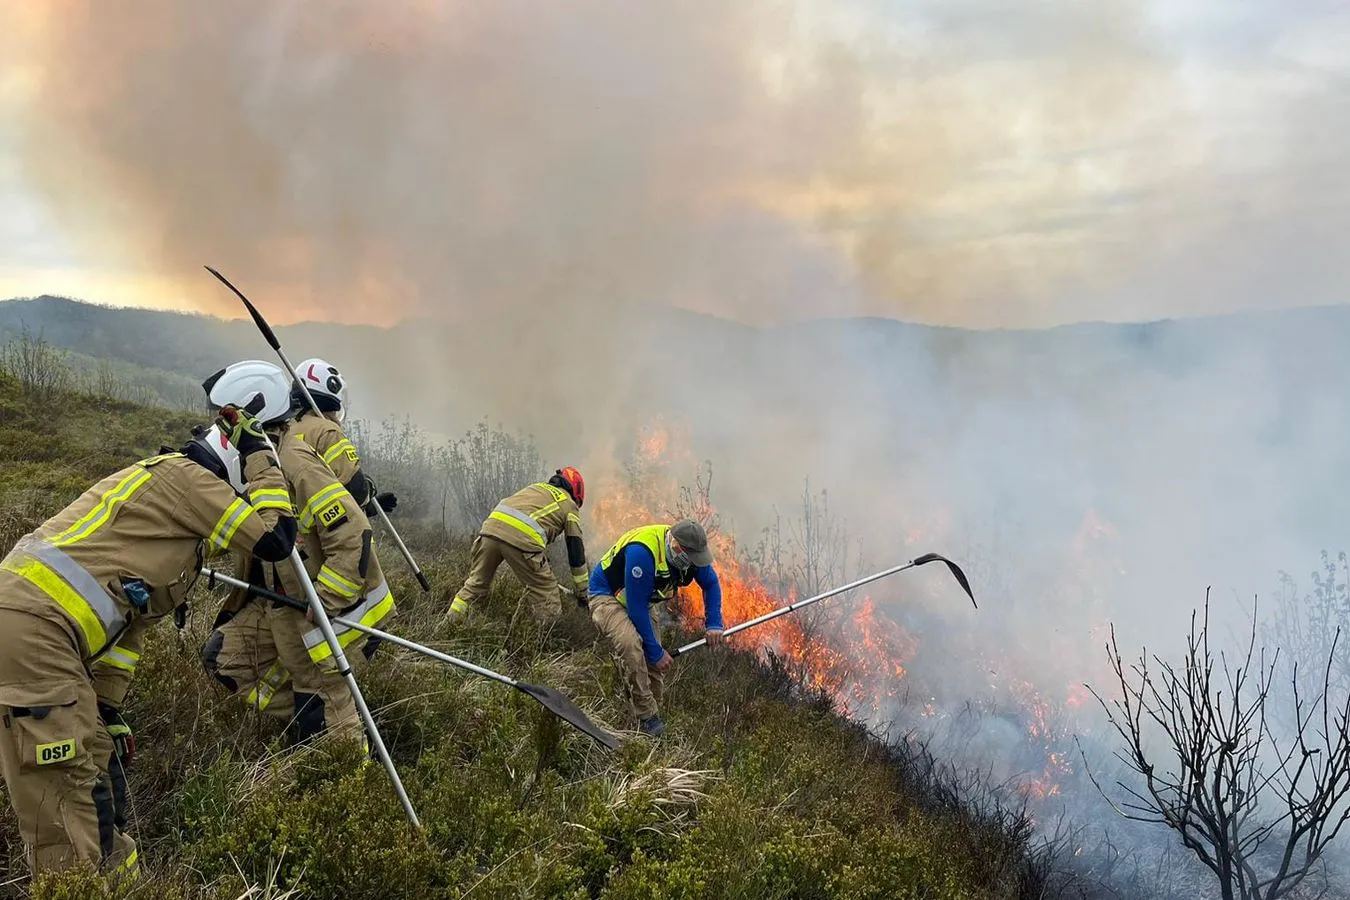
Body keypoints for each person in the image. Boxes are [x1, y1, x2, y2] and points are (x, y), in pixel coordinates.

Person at [0, 404, 296, 879]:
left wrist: (106, 707)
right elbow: (276, 538)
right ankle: (75, 886)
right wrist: (262, 458)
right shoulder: (188, 479)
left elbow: (127, 622)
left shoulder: (176, 517)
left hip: (47, 636)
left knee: (99, 780)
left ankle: (118, 883)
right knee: (67, 808)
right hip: (36, 633)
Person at [199, 360, 394, 746]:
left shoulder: (296, 464)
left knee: (323, 690)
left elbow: (353, 534)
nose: (220, 429)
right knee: (225, 658)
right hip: (283, 602)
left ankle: (342, 761)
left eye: (226, 418)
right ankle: (312, 725)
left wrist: (326, 599)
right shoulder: (258, 462)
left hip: (330, 606)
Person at [587, 519, 724, 737]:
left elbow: (710, 584)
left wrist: (714, 623)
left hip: (641, 599)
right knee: (632, 645)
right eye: (692, 558)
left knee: (654, 662)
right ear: (677, 547)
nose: (696, 564)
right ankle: (647, 718)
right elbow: (636, 608)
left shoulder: (692, 556)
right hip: (608, 595)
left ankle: (652, 710)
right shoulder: (642, 553)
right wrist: (655, 651)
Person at [447, 468, 588, 623]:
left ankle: (449, 624)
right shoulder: (568, 504)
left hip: (489, 532)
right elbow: (576, 551)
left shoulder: (536, 487)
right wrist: (582, 593)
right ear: (576, 492)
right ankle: (545, 640)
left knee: (475, 585)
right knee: (547, 598)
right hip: (521, 542)